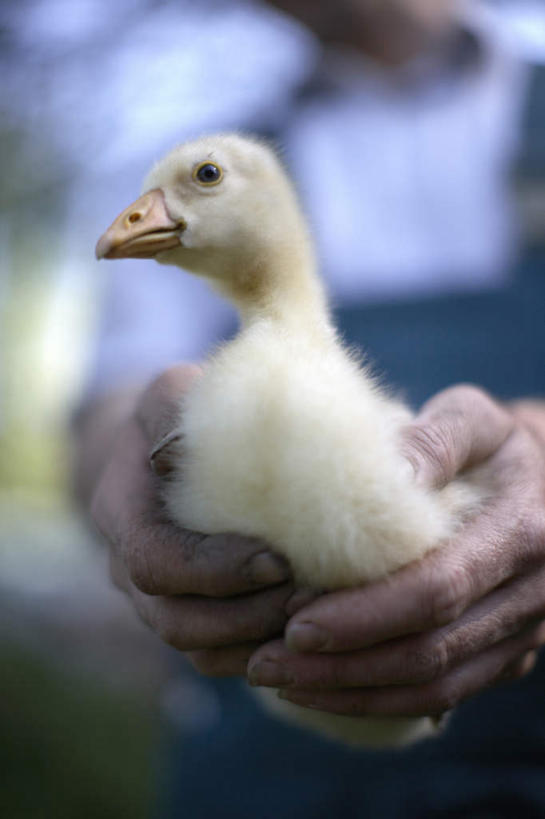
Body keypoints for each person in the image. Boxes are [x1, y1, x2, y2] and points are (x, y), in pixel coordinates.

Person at [75, 0, 545, 815]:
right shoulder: (203, 148)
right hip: (265, 782)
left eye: (202, 185)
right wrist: (129, 468)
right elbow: (113, 411)